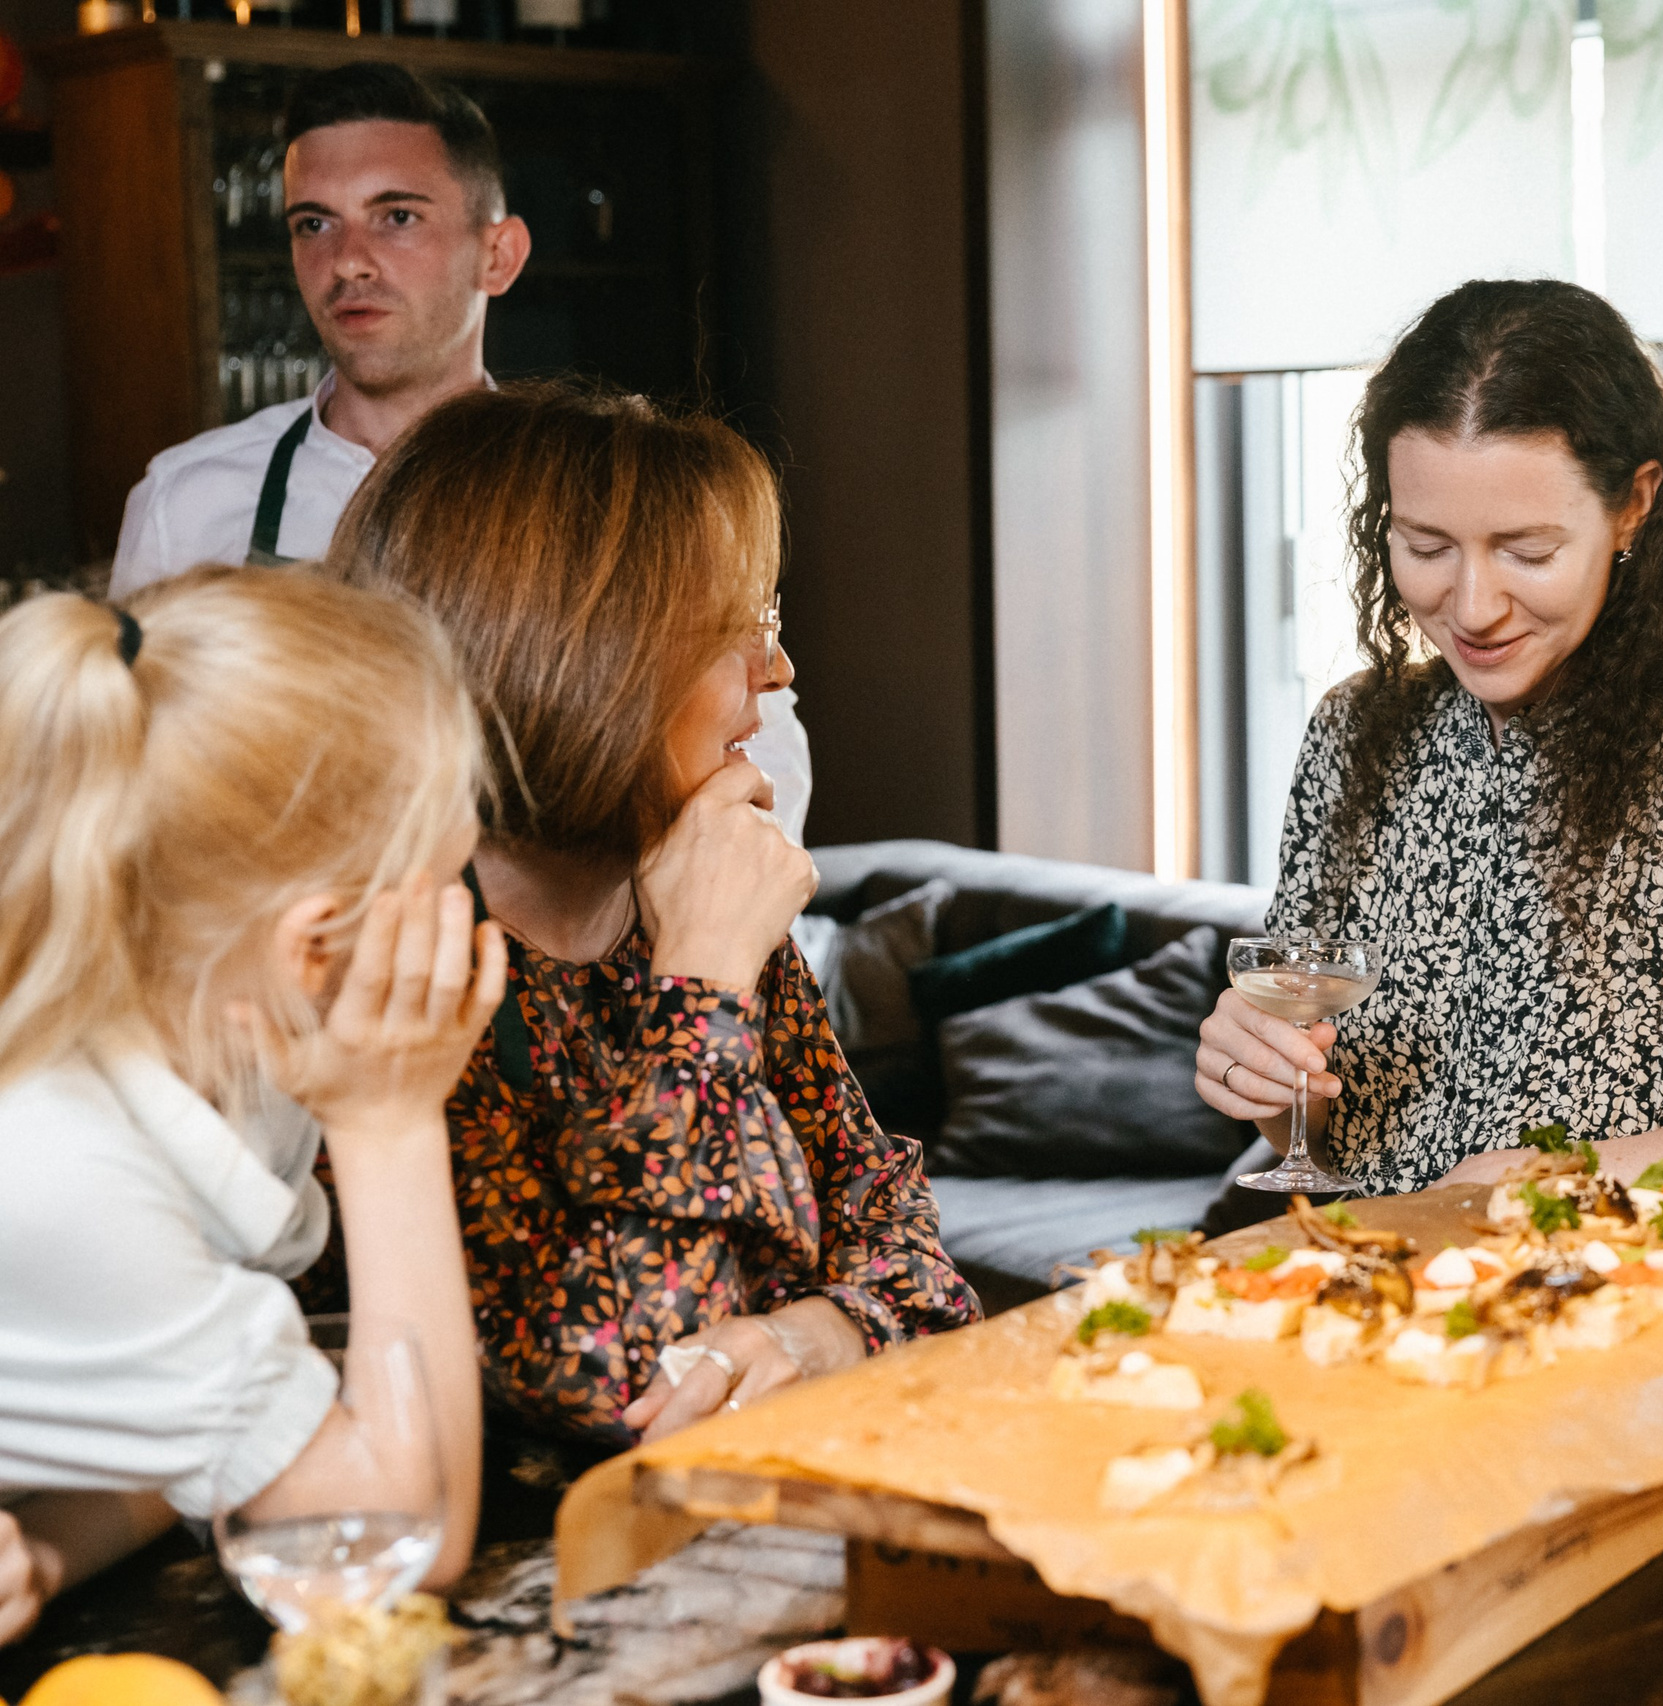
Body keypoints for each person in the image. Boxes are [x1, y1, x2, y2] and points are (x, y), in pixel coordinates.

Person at [322, 381, 979, 1447]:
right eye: (738, 626)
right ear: (580, 660)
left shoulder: (691, 879)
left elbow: (913, 1253)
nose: (779, 666)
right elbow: (608, 1389)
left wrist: (819, 1332)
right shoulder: (391, 964)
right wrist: (704, 983)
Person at [1193, 279, 1663, 1208]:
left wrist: (1551, 1182)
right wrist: (1266, 1083)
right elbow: (1338, 1133)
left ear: (1632, 507)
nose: (1476, 604)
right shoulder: (1354, 735)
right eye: (1425, 545)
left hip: (1621, 1321)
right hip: (1380, 1305)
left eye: (1528, 551)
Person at [102, 61, 812, 838]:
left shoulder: (602, 498)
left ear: (498, 255)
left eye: (396, 216)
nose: (346, 261)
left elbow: (764, 758)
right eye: (314, 223)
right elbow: (121, 772)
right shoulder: (186, 499)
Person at [0, 570, 502, 1640]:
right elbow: (396, 1541)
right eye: (453, 885)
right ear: (313, 945)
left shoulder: (228, 1056)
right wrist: (392, 1124)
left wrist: (45, 1545)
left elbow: (230, 1447)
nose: (472, 926)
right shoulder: (58, 1158)